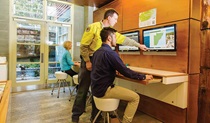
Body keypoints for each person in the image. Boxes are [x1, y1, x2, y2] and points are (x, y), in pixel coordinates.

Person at [71, 8, 148, 123]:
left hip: (99, 60)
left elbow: (126, 40)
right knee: (83, 89)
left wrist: (139, 45)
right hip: (89, 59)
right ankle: (75, 116)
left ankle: (96, 117)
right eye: (115, 19)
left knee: (98, 89)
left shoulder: (112, 33)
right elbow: (83, 46)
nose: (116, 21)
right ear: (109, 18)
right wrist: (87, 61)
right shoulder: (93, 27)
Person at [91, 27, 153, 123]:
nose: (116, 40)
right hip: (104, 90)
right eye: (115, 37)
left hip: (95, 88)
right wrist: (144, 76)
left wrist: (113, 70)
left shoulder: (96, 52)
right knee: (135, 98)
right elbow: (126, 72)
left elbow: (101, 69)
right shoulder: (111, 53)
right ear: (109, 38)